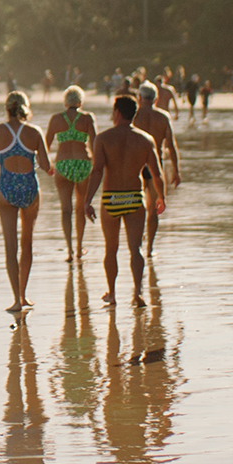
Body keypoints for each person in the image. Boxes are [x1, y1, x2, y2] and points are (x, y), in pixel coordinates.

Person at [81, 95, 165, 307]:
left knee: (111, 249)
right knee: (135, 248)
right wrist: (161, 197)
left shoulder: (103, 138)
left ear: (117, 113)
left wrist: (87, 200)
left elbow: (98, 171)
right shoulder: (145, 139)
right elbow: (157, 174)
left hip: (111, 198)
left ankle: (112, 294)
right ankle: (137, 292)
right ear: (134, 113)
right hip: (134, 197)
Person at [0, 92, 53, 313]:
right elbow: (46, 165)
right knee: (27, 242)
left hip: (6, 189)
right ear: (25, 108)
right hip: (29, 189)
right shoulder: (34, 132)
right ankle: (25, 295)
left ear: (6, 108)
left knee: (10, 246)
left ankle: (16, 299)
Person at [48, 87, 98, 259]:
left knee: (65, 209)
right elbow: (94, 143)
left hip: (62, 164)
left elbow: (45, 145)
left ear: (65, 101)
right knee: (80, 208)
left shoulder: (56, 119)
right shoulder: (87, 118)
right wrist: (97, 163)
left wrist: (48, 166)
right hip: (83, 163)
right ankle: (79, 247)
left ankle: (69, 249)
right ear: (80, 102)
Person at [134, 82, 182, 255]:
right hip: (156, 164)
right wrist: (176, 171)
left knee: (137, 207)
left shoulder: (133, 115)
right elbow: (171, 145)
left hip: (136, 166)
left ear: (139, 97)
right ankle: (149, 248)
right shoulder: (163, 117)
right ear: (156, 98)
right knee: (154, 208)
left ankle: (137, 242)